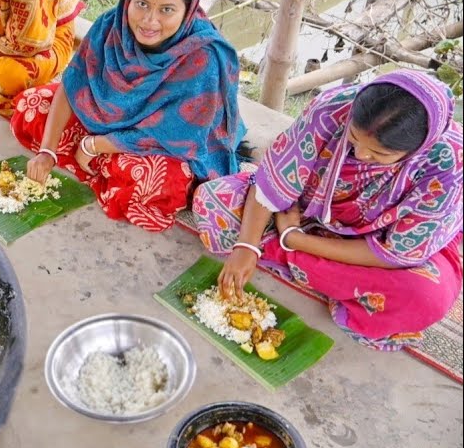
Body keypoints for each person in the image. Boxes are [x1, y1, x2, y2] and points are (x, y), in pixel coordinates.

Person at [193, 70, 463, 349]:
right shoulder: (333, 108)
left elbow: (396, 252)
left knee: (424, 297)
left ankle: (293, 255)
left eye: (379, 154)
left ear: (420, 147)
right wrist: (246, 246)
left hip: (374, 246)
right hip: (310, 212)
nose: (360, 155)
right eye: (354, 138)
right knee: (213, 203)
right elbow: (273, 182)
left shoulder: (449, 162)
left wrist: (295, 238)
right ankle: (327, 277)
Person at [10, 0, 244, 232]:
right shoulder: (111, 27)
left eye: (166, 10)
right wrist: (47, 151)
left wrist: (93, 146)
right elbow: (73, 85)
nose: (149, 20)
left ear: (187, 11)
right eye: (142, 4)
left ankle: (98, 162)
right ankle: (99, 166)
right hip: (104, 121)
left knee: (157, 182)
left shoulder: (203, 58)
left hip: (163, 144)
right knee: (31, 106)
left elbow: (175, 136)